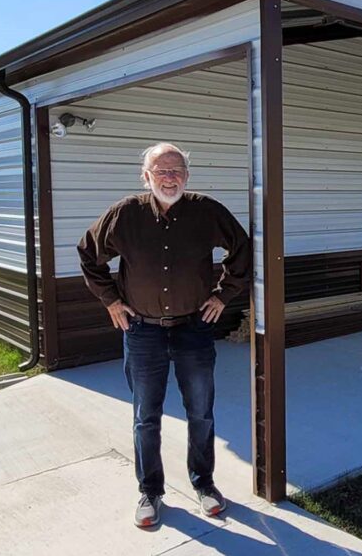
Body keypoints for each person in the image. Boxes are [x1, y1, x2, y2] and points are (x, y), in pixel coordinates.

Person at [77, 142, 250, 528]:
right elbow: (88, 253)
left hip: (194, 329)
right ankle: (150, 491)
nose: (169, 178)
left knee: (200, 413)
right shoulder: (125, 214)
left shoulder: (207, 211)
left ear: (186, 176)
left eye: (177, 170)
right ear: (146, 176)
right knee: (146, 416)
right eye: (161, 170)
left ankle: (204, 484)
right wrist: (111, 300)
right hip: (142, 332)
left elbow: (241, 248)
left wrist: (223, 295)